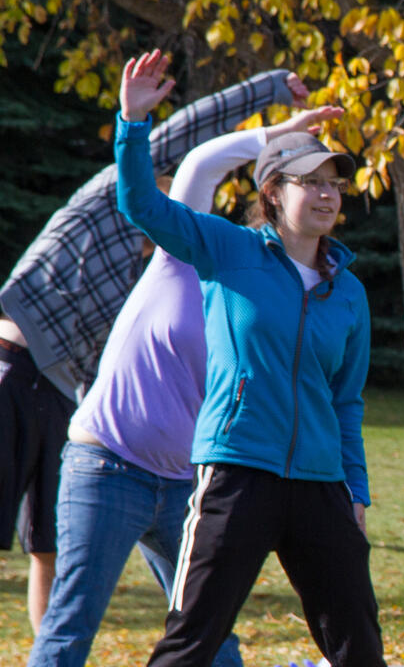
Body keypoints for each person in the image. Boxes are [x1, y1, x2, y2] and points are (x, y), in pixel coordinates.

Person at [27, 100, 335, 667]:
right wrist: (277, 134)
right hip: (108, 465)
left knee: (212, 634)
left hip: (185, 482)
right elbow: (200, 163)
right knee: (72, 625)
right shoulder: (181, 256)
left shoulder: (265, 297)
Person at [114, 50, 385, 667]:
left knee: (360, 648)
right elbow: (142, 206)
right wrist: (132, 126)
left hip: (321, 484)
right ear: (272, 191)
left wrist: (356, 492)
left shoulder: (349, 291)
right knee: (192, 642)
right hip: (238, 473)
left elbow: (346, 400)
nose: (326, 194)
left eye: (334, 183)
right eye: (311, 181)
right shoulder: (228, 250)